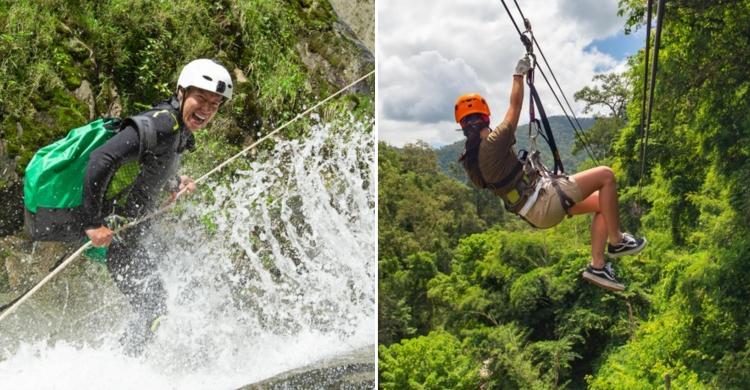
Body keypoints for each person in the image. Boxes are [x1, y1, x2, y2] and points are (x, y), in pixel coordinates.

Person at [454, 54, 645, 292]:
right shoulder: (493, 143)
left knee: (602, 206)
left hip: (534, 211)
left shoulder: (472, 161)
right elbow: (515, 107)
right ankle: (616, 242)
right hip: (544, 201)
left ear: (462, 125)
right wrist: (518, 75)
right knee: (606, 175)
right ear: (486, 117)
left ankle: (598, 266)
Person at [82, 58, 233, 355]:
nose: (205, 109)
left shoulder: (178, 130)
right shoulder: (163, 123)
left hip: (133, 234)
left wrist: (174, 183)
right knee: (155, 307)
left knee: (160, 302)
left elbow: (149, 168)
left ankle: (120, 360)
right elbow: (102, 159)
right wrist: (92, 222)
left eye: (214, 104)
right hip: (120, 237)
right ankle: (121, 367)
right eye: (200, 98)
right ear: (181, 92)